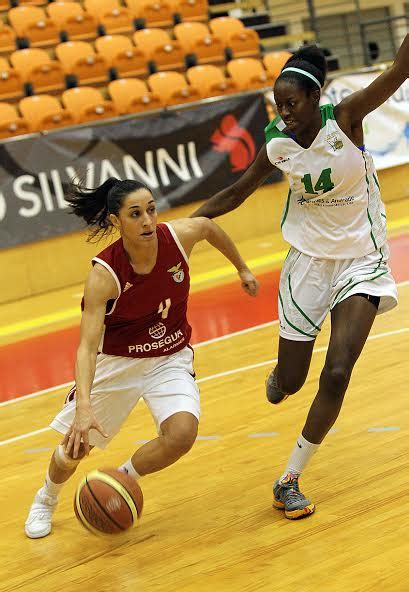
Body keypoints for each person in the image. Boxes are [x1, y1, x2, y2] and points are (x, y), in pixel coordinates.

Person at [191, 39, 408, 519]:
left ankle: (288, 479)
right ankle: (281, 376)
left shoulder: (347, 118)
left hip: (362, 260)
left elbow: (400, 69)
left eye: (291, 104)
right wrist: (184, 230)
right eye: (277, 104)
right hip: (307, 262)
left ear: (316, 100)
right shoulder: (278, 142)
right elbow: (236, 192)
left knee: (337, 373)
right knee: (291, 380)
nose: (283, 112)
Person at [25, 177, 259, 538]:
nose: (148, 220)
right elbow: (87, 347)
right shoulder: (104, 275)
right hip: (117, 363)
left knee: (181, 434)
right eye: (136, 214)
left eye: (151, 209)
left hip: (170, 356)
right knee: (74, 447)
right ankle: (46, 498)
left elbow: (209, 227)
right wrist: (84, 406)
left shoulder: (179, 236)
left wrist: (241, 268)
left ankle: (121, 478)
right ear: (117, 221)